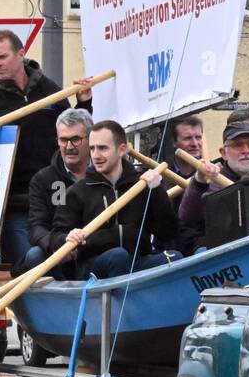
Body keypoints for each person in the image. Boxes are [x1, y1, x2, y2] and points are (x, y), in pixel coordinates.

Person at [0, 30, 93, 265]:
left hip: (57, 196)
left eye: (2, 57)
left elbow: (76, 134)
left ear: (21, 54)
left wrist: (84, 102)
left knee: (67, 262)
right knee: (26, 266)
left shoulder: (50, 91)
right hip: (17, 205)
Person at [51, 120, 179, 280]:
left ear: (122, 150)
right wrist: (68, 237)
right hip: (94, 266)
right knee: (118, 256)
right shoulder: (75, 192)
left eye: (103, 148)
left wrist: (157, 191)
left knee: (174, 257)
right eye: (92, 148)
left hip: (136, 261)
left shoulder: (141, 186)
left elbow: (168, 232)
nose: (96, 155)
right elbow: (56, 236)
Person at [177, 120, 249, 254]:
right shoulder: (206, 182)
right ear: (223, 153)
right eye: (237, 145)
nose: (245, 150)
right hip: (217, 254)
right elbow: (187, 218)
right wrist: (199, 183)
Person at [18, 107, 93, 274]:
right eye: (63, 140)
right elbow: (36, 227)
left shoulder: (104, 175)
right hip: (57, 252)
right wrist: (60, 244)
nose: (69, 146)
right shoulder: (42, 180)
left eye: (75, 139)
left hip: (96, 248)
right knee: (34, 256)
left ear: (90, 139)